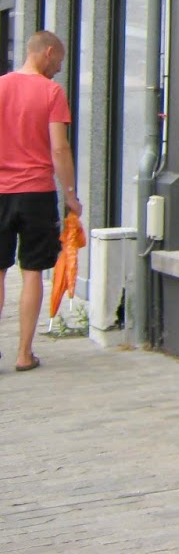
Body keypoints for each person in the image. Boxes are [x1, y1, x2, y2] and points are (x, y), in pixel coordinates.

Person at [0, 31, 82, 371]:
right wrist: (70, 194)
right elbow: (59, 148)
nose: (59, 68)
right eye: (58, 61)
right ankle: (24, 354)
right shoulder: (51, 91)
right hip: (36, 193)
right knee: (32, 271)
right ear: (48, 52)